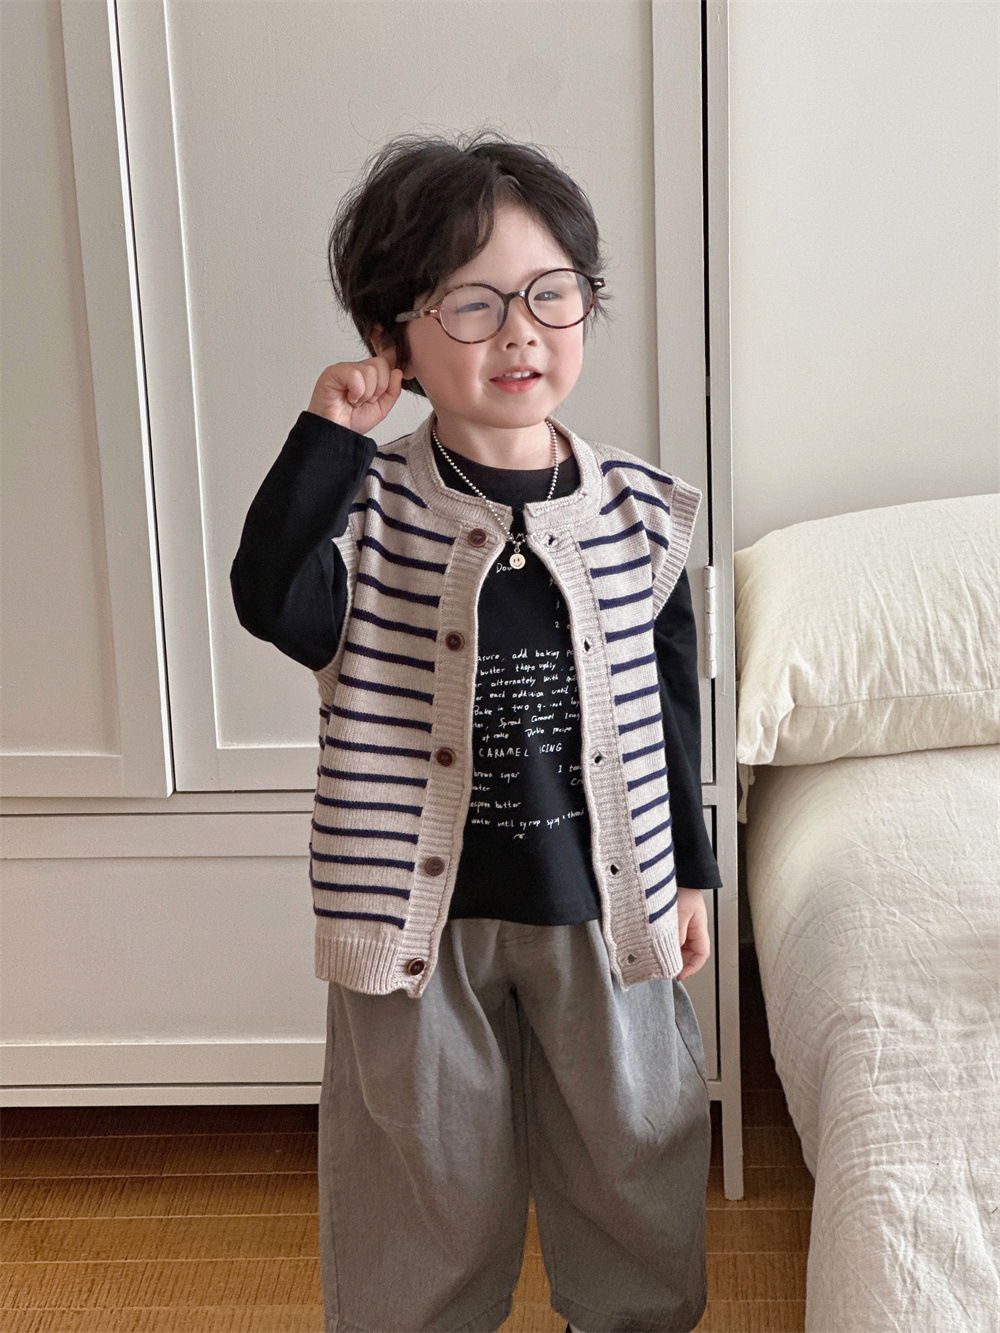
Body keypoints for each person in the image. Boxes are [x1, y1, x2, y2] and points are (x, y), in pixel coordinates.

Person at [231, 130, 723, 1333]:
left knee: (633, 1157)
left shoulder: (641, 512)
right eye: (471, 302)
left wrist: (689, 875)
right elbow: (269, 598)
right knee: (425, 1182)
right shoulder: (364, 509)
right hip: (421, 928)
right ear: (393, 337)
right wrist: (327, 440)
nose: (519, 333)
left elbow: (671, 709)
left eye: (552, 293)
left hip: (605, 912)